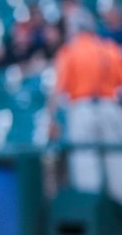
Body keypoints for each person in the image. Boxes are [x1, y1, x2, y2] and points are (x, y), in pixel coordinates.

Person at [49, 15, 122, 202]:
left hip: (82, 109)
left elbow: (57, 90)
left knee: (85, 164)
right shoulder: (110, 48)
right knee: (117, 163)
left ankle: (93, 215)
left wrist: (51, 119)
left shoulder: (71, 50)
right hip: (110, 107)